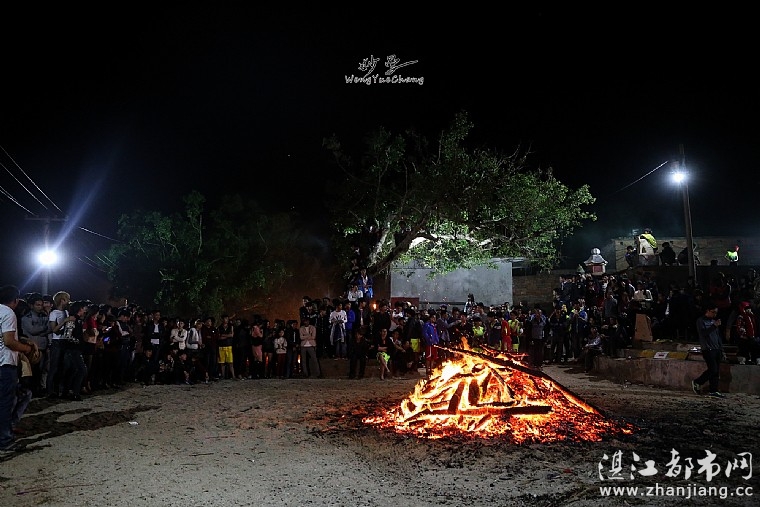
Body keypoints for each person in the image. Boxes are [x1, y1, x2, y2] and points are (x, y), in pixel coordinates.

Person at [1, 285, 36, 452]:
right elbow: (8, 341)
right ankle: (5, 440)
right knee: (5, 403)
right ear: (15, 300)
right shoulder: (8, 313)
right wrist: (26, 349)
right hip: (5, 364)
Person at [692, 304, 726, 398]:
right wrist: (714, 326)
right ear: (707, 311)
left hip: (717, 349)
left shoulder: (714, 321)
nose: (715, 314)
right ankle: (698, 382)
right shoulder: (701, 321)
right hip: (708, 349)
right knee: (712, 369)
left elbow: (718, 336)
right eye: (713, 312)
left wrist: (721, 349)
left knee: (716, 371)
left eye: (716, 312)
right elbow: (703, 333)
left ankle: (713, 390)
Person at [20, 293, 50, 396]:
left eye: (41, 305)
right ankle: (31, 390)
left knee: (42, 370)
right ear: (31, 305)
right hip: (33, 348)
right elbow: (32, 330)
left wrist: (42, 330)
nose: (40, 307)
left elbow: (50, 328)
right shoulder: (26, 318)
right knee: (33, 370)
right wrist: (44, 329)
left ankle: (39, 389)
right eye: (37, 305)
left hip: (43, 346)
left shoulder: (44, 316)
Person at [422, 313, 439, 377]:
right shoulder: (427, 325)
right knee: (428, 357)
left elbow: (436, 334)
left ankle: (431, 369)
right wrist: (429, 339)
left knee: (433, 357)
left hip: (434, 344)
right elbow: (424, 333)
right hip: (429, 344)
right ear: (430, 318)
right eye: (433, 318)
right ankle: (427, 370)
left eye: (435, 318)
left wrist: (437, 340)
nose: (434, 319)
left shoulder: (434, 326)